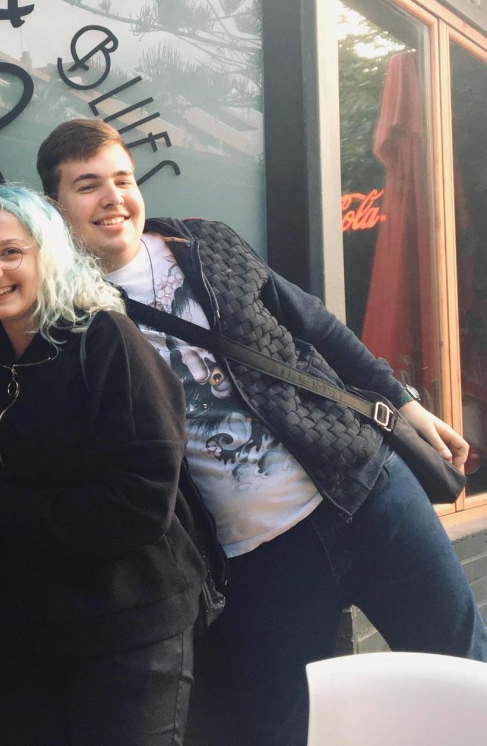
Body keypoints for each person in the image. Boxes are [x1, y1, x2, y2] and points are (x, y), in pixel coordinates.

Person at [35, 118, 487, 745]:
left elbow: (316, 326)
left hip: (364, 492)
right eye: (88, 186)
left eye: (123, 179)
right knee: (282, 730)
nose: (113, 198)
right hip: (255, 558)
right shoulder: (68, 319)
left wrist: (404, 404)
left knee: (463, 672)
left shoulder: (206, 243)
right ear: (55, 207)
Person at [0, 183, 205, 746]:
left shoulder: (105, 339)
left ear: (48, 253)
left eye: (11, 252)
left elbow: (141, 504)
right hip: (28, 636)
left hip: (129, 629)